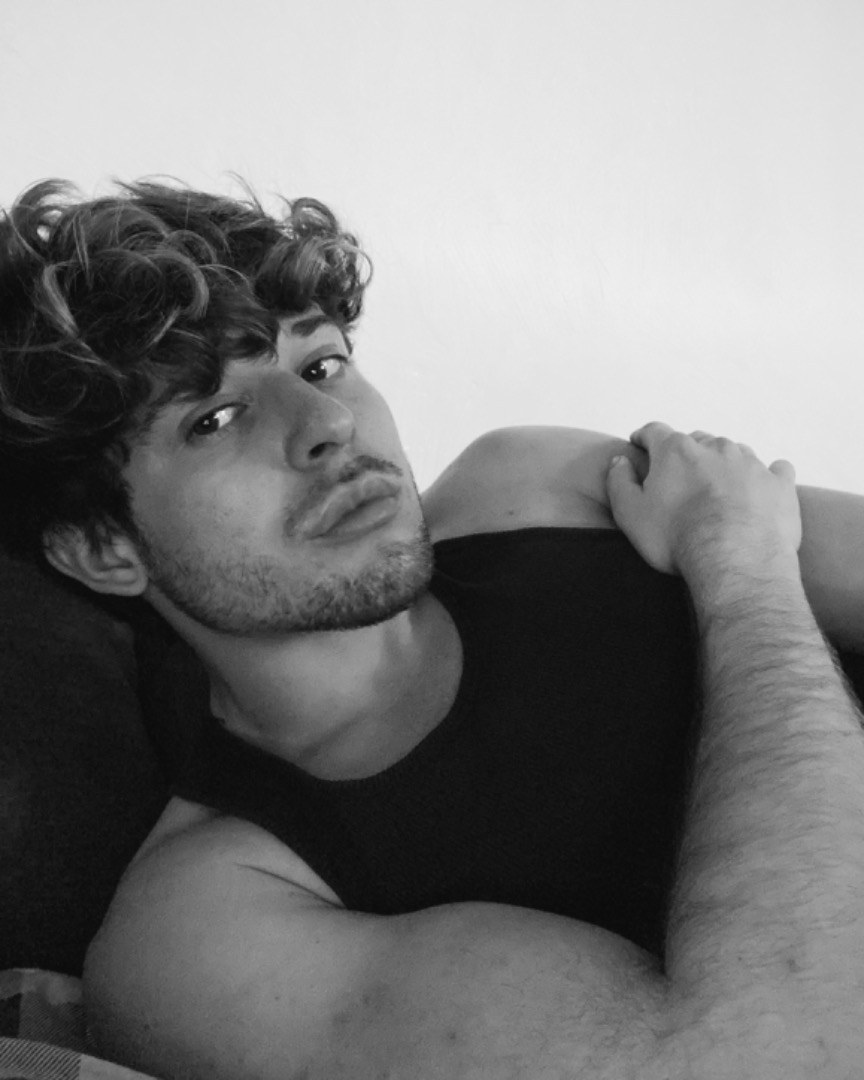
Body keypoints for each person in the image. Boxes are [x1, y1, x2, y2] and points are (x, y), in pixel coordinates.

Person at [1, 178, 863, 1078]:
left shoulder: (535, 483)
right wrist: (743, 573)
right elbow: (778, 1059)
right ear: (102, 549)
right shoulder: (207, 934)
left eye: (320, 365)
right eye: (213, 419)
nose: (328, 424)